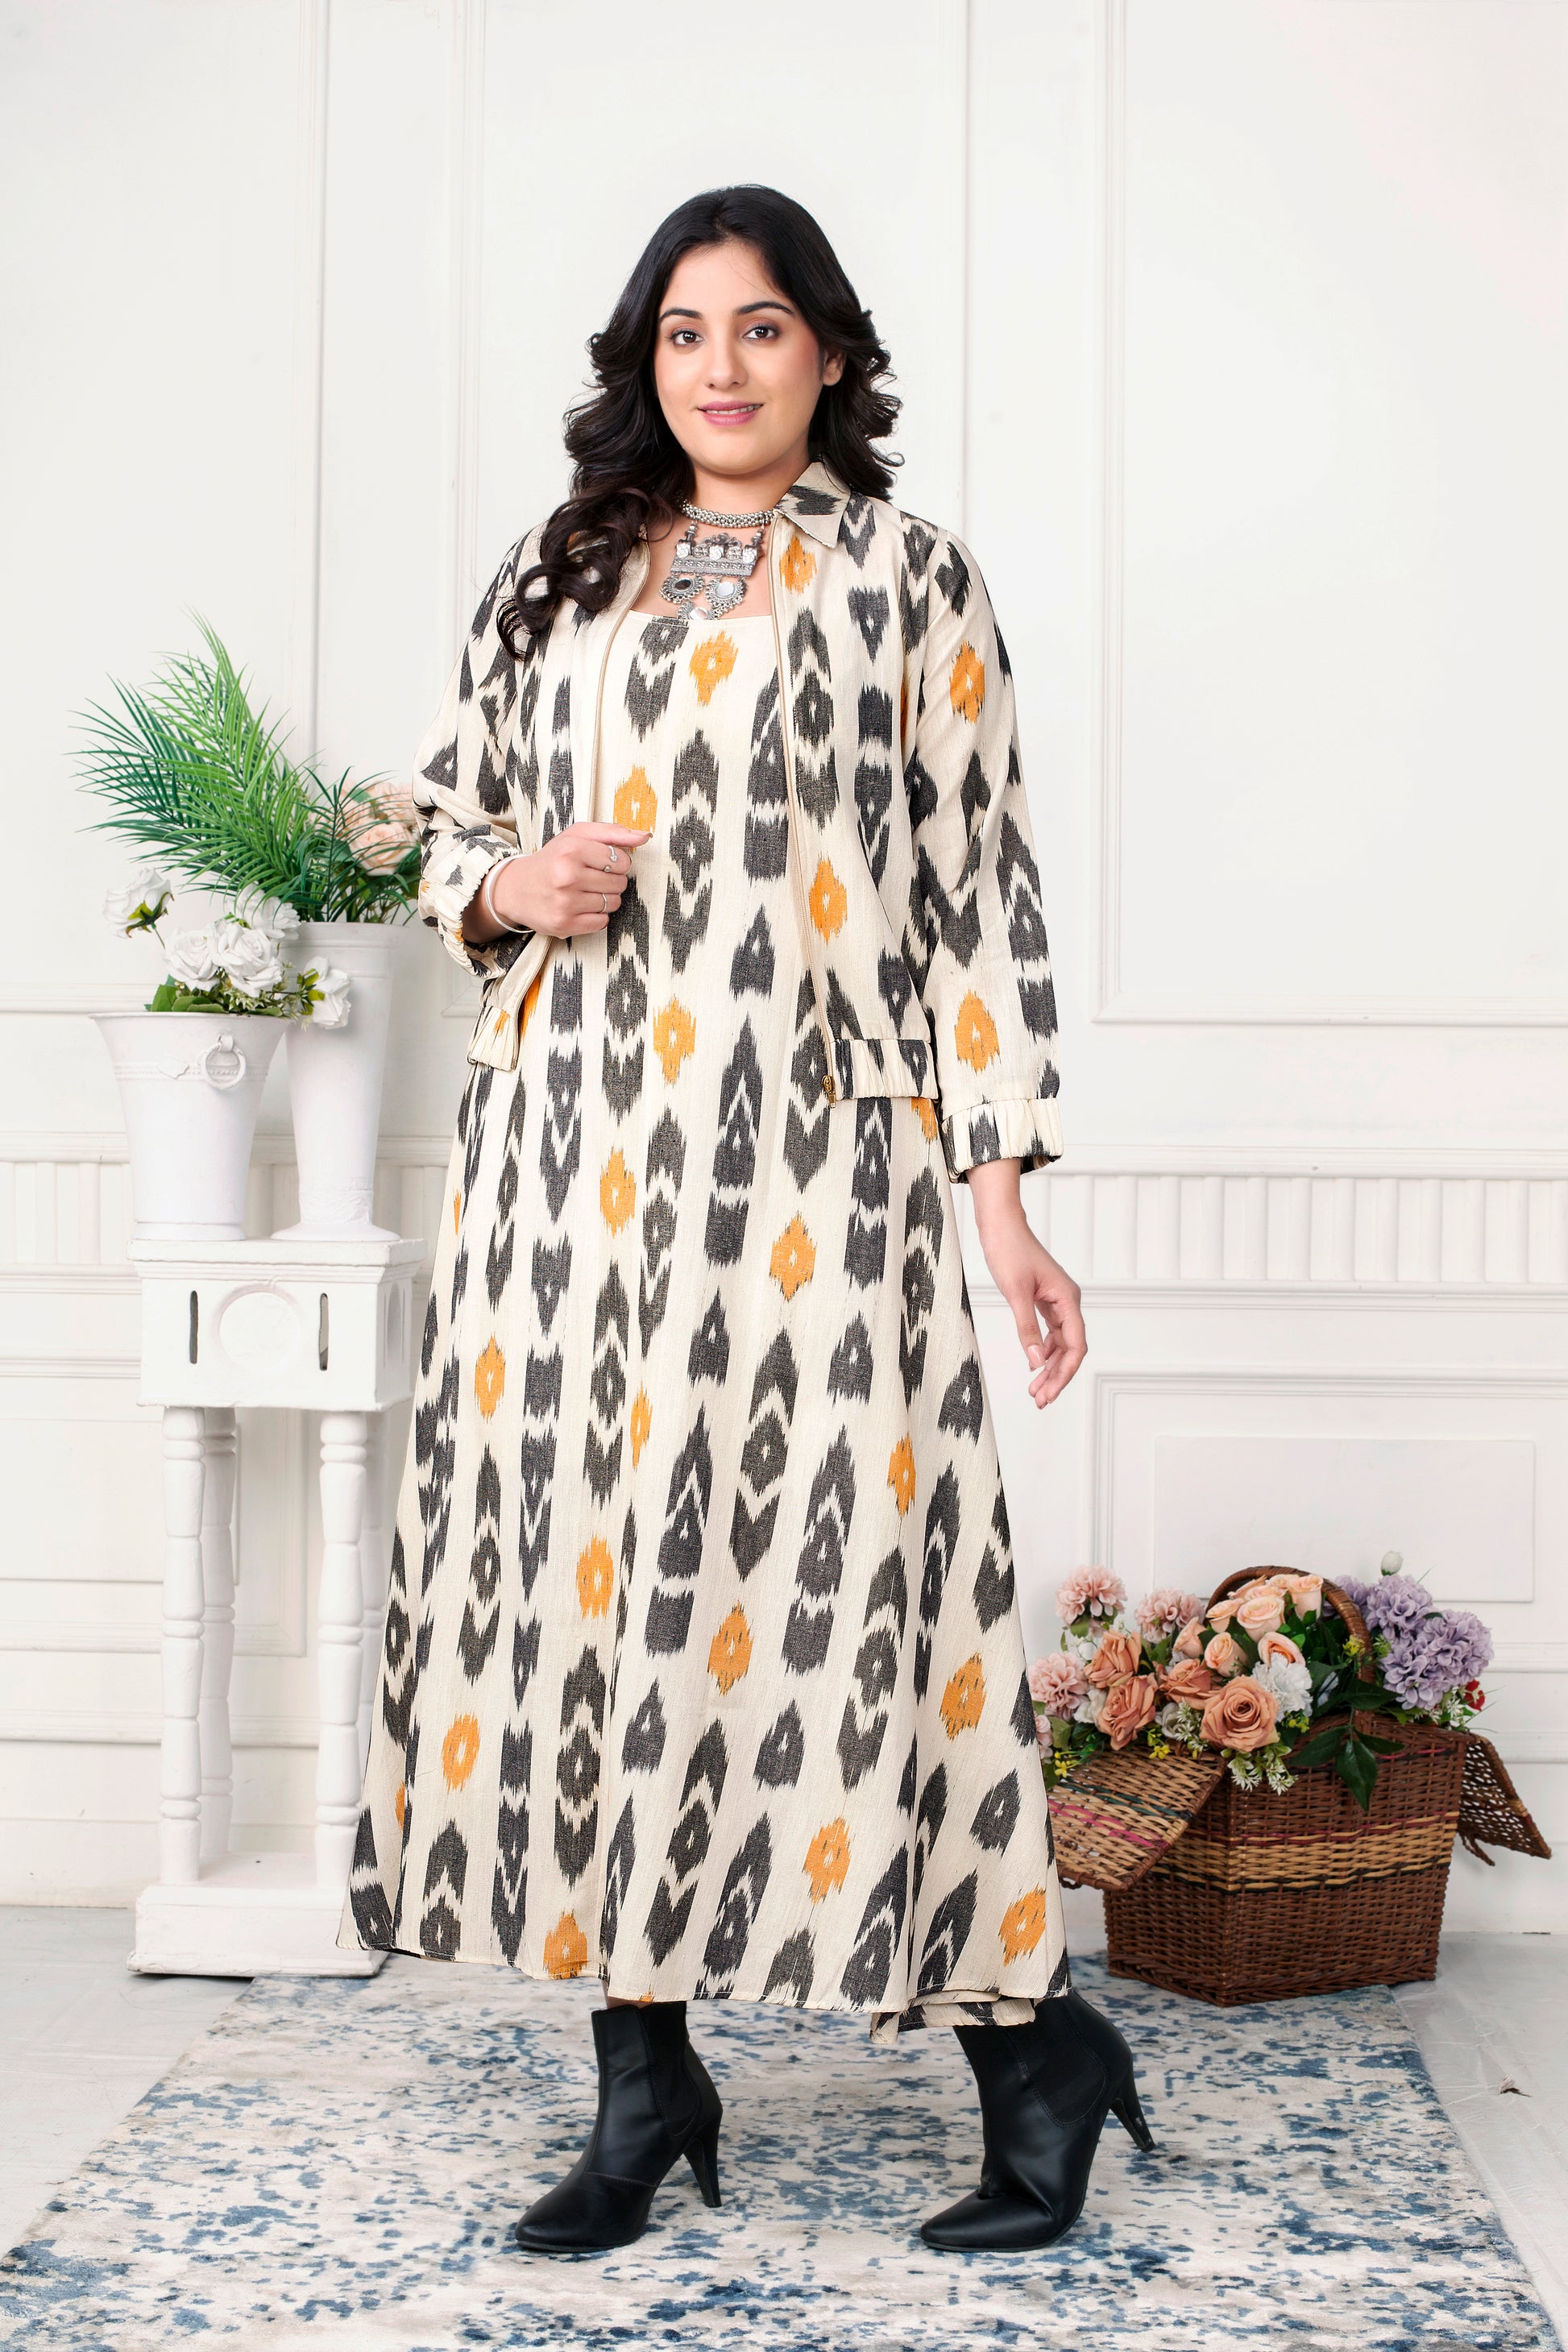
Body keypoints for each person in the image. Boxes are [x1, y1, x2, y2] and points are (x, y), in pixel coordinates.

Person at [339, 183, 1152, 2255]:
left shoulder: (908, 577)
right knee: (585, 1594)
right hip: (565, 1175)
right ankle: (642, 2078)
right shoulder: (556, 571)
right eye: (685, 330)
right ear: (645, 359)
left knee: (864, 1595)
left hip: (817, 1164)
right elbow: (418, 808)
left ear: (829, 356)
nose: (721, 365)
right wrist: (502, 883)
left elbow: (974, 900)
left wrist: (1002, 1206)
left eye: (762, 326)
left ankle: (1032, 2043)